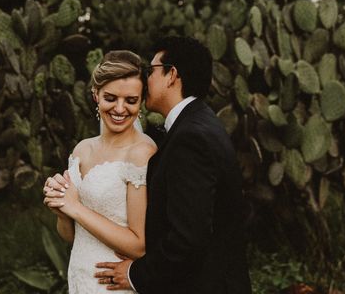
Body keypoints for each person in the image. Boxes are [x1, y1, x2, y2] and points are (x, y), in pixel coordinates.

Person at [94, 36, 252, 293]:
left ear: (171, 75)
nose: (146, 79)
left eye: (151, 71)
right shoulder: (201, 123)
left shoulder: (191, 138)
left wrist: (136, 273)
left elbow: (188, 238)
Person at [43, 50, 157, 293]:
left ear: (141, 101)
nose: (120, 108)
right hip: (80, 276)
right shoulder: (82, 150)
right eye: (110, 97)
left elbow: (139, 245)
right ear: (96, 94)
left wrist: (75, 208)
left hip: (114, 283)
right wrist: (61, 211)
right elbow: (71, 236)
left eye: (131, 100)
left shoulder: (141, 153)